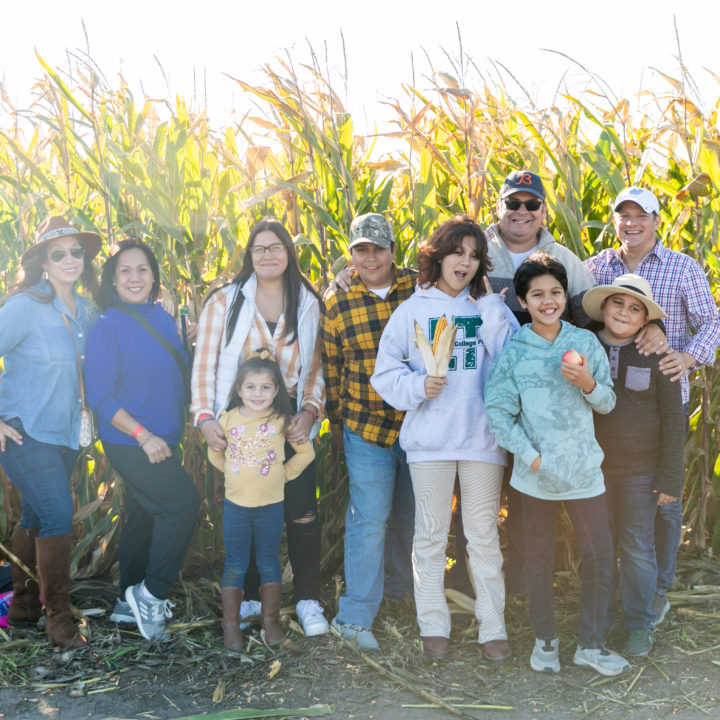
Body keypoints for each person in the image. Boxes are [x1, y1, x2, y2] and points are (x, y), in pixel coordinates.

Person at [370, 216, 518, 660]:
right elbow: (385, 372)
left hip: (481, 441)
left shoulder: (487, 309)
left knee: (483, 539)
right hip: (430, 443)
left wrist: (492, 307)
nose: (466, 262)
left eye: (474, 256)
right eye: (458, 252)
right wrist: (417, 387)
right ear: (439, 256)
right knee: (430, 538)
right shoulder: (413, 310)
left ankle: (493, 627)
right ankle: (433, 624)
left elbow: (511, 362)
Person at [485, 253, 630, 677]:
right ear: (523, 301)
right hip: (535, 478)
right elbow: (498, 414)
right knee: (537, 558)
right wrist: (531, 458)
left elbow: (607, 402)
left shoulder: (584, 344)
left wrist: (588, 385)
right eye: (537, 295)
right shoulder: (514, 353)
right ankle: (545, 642)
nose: (548, 301)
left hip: (585, 473)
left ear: (565, 295)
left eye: (555, 292)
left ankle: (591, 645)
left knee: (601, 557)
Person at [584, 186, 720, 624]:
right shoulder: (596, 267)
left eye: (641, 215)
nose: (631, 223)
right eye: (623, 215)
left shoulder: (682, 268)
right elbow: (581, 317)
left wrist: (687, 355)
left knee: (663, 499)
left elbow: (713, 323)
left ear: (657, 220)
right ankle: (619, 591)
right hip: (601, 404)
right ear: (615, 220)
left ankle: (657, 589)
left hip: (663, 403)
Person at [191, 218, 328, 637]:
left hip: (287, 423)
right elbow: (206, 365)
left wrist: (309, 410)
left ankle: (307, 598)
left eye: (275, 247)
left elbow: (316, 368)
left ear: (289, 253)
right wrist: (205, 417)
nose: (267, 255)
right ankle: (250, 598)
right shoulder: (224, 302)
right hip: (240, 421)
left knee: (302, 512)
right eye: (259, 249)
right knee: (249, 508)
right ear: (248, 256)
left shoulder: (307, 302)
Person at [84, 239, 201, 640]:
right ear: (112, 280)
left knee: (144, 515)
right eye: (125, 271)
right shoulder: (107, 325)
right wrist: (143, 434)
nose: (135, 278)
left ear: (154, 276)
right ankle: (150, 594)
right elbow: (99, 394)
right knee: (182, 503)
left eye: (143, 270)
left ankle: (124, 604)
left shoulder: (164, 316)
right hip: (131, 441)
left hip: (164, 438)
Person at [0, 215, 101, 649]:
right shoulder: (24, 307)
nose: (68, 259)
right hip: (25, 432)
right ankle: (59, 620)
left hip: (66, 435)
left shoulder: (89, 311)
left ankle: (22, 609)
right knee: (59, 512)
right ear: (42, 261)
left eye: (76, 251)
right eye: (57, 252)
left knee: (37, 516)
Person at [321, 212, 416, 651]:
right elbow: (332, 367)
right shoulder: (336, 301)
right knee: (369, 521)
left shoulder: (419, 287)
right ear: (351, 254)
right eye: (361, 249)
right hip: (366, 427)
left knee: (413, 519)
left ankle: (401, 595)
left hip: (419, 426)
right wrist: (337, 425)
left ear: (394, 250)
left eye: (379, 248)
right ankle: (355, 616)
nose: (371, 257)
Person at [581, 274, 684, 657]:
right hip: (593, 472)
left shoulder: (658, 357)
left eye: (635, 308)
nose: (623, 312)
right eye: (617, 304)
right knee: (599, 547)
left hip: (641, 473)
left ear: (646, 322)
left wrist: (670, 477)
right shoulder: (583, 346)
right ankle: (601, 619)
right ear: (603, 308)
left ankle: (639, 623)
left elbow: (674, 420)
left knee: (638, 546)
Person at [208, 350, 315, 651]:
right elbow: (214, 453)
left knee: (269, 562)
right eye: (250, 387)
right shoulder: (228, 419)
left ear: (277, 390)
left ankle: (270, 621)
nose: (258, 394)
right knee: (236, 564)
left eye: (265, 387)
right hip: (236, 508)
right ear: (239, 390)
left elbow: (306, 454)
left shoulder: (281, 421)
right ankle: (231, 627)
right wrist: (234, 473)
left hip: (270, 507)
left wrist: (281, 475)